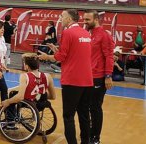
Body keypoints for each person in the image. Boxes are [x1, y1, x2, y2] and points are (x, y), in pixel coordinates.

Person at [39, 9, 93, 144]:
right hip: (87, 80)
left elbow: (62, 57)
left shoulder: (68, 32)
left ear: (69, 19)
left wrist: (48, 56)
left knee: (68, 116)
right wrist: (58, 51)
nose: (60, 18)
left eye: (62, 16)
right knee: (84, 115)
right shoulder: (86, 33)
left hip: (72, 80)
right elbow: (73, 54)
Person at [84, 10, 114, 144]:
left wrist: (108, 76)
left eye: (87, 20)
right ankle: (90, 134)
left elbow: (109, 56)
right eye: (84, 19)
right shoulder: (89, 34)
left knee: (95, 108)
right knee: (88, 107)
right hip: (88, 76)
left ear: (96, 19)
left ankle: (95, 138)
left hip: (99, 77)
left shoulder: (103, 35)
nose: (85, 22)